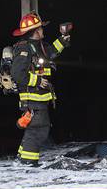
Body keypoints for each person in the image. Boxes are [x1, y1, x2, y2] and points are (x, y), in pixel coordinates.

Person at [10, 12, 71, 166]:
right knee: (38, 129)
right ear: (35, 31)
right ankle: (29, 162)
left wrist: (62, 41)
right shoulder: (24, 48)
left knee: (35, 128)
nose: (43, 30)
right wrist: (36, 80)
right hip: (31, 98)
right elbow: (17, 74)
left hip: (40, 98)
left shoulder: (40, 46)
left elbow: (50, 52)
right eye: (41, 28)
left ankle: (22, 157)